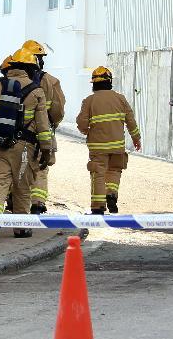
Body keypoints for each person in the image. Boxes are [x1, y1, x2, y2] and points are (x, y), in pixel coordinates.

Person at [0, 48, 53, 240]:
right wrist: (46, 150)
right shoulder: (36, 91)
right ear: (29, 68)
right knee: (22, 187)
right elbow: (44, 127)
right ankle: (20, 228)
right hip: (24, 148)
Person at [76, 66, 141, 214]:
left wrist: (85, 130)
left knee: (98, 173)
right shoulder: (120, 99)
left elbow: (81, 124)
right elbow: (131, 121)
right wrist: (136, 138)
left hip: (98, 147)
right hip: (117, 146)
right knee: (114, 170)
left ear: (93, 83)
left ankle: (98, 206)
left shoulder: (89, 101)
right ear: (109, 82)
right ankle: (111, 193)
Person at [21, 40, 66, 214]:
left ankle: (13, 198)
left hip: (17, 131)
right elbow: (58, 110)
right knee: (40, 166)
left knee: (16, 165)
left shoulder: (10, 79)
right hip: (43, 130)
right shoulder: (50, 81)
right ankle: (37, 202)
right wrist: (52, 123)